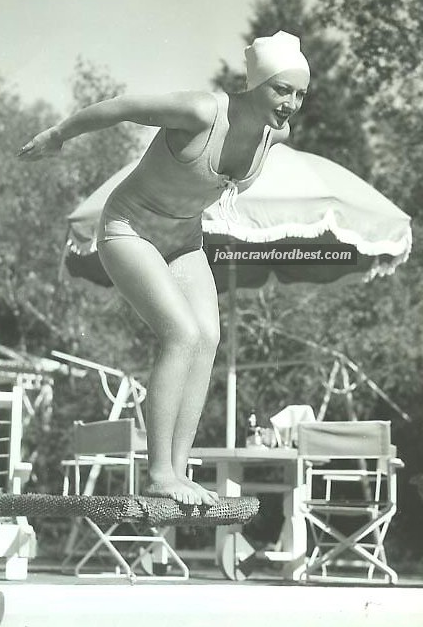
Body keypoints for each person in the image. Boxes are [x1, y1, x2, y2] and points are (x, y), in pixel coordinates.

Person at [18, 31, 311, 506]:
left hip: (185, 240)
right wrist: (58, 136)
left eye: (299, 93)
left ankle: (179, 470)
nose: (291, 103)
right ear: (255, 84)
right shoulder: (201, 112)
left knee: (208, 339)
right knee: (180, 334)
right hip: (129, 229)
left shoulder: (276, 135)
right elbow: (121, 107)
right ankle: (159, 473)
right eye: (282, 89)